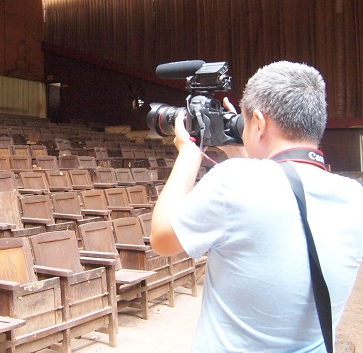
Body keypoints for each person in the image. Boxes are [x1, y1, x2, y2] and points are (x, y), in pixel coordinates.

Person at [150, 61, 363, 352]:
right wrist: (241, 146)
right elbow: (281, 191)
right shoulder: (354, 198)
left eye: (247, 122)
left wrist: (190, 150)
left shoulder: (234, 181)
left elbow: (162, 238)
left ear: (260, 123)